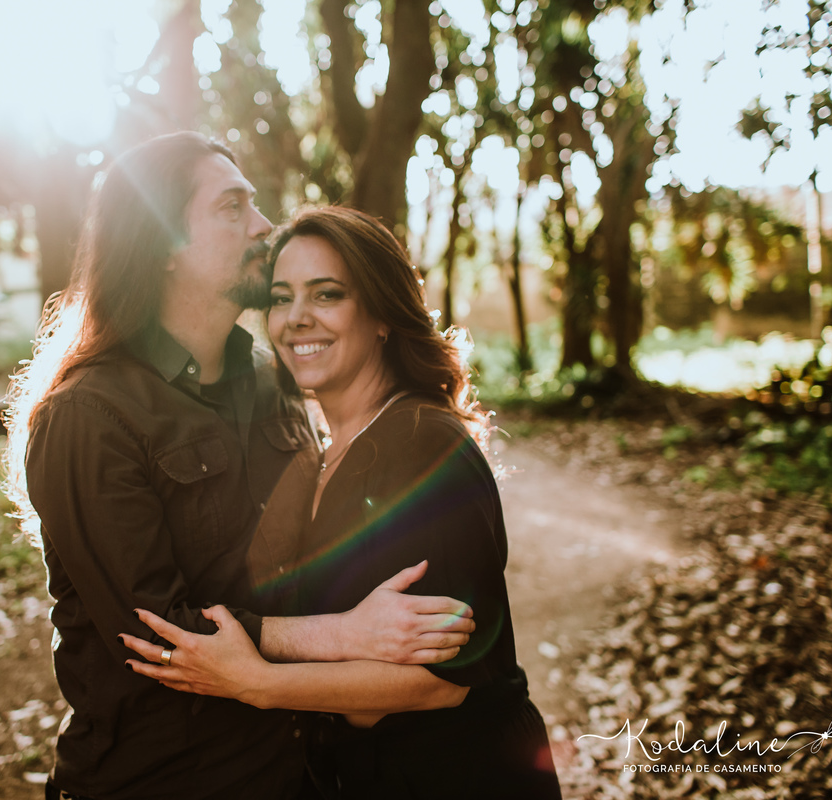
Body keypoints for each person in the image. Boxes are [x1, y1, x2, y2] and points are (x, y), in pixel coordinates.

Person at [2, 134, 476, 800]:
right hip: (163, 782)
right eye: (232, 208)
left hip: (299, 770)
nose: (263, 227)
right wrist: (342, 634)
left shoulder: (271, 377)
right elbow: (159, 636)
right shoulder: (89, 416)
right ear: (162, 244)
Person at [121, 206, 562, 799]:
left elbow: (444, 681)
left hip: (456, 774)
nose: (297, 319)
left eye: (326, 295)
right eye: (281, 299)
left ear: (381, 315)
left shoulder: (424, 443)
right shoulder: (319, 452)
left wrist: (258, 683)